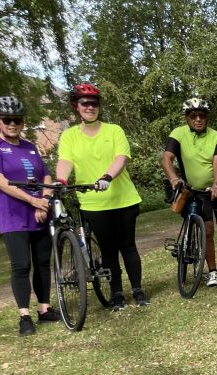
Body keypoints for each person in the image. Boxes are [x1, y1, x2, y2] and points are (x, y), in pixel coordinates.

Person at [56, 83, 148, 310]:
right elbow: (65, 161)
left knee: (128, 246)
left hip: (123, 199)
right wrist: (61, 181)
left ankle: (137, 290)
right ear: (76, 106)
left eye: (94, 103)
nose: (90, 107)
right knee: (108, 249)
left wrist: (107, 177)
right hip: (93, 203)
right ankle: (116, 293)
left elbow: (121, 157)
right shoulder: (69, 136)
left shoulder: (114, 130)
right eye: (85, 103)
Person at [0, 96, 59, 336]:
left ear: (23, 122)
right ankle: (24, 316)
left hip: (40, 212)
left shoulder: (30, 147)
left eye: (17, 120)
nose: (13, 124)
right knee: (21, 265)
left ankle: (44, 309)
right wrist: (33, 200)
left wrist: (44, 201)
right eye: (7, 120)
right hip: (13, 216)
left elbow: (45, 176)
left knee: (43, 263)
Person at [162, 98, 217, 286]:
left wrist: (216, 184)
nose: (198, 119)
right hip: (195, 191)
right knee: (207, 230)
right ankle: (213, 271)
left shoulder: (216, 136)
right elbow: (166, 159)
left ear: (207, 118)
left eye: (202, 116)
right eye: (193, 116)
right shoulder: (178, 134)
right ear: (187, 118)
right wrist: (174, 179)